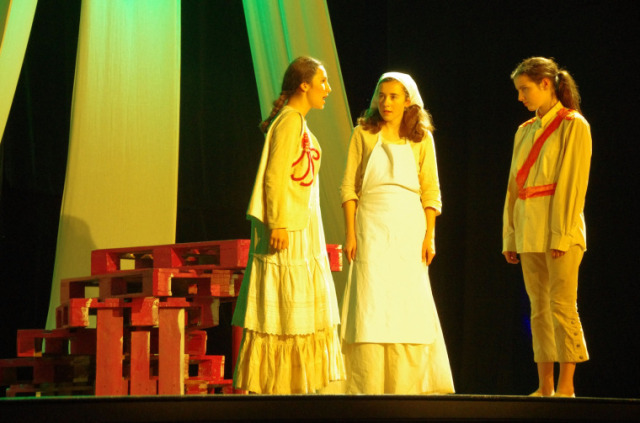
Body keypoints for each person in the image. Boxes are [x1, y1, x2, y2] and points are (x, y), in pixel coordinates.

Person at [232, 56, 345, 394]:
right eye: (322, 82)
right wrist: (278, 224)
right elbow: (274, 175)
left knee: (295, 307)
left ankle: (294, 384)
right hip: (288, 228)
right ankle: (278, 386)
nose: (328, 89)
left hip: (301, 224)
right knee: (284, 306)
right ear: (304, 85)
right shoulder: (290, 121)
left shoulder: (296, 120)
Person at [339, 72, 455, 394]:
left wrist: (430, 235)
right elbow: (349, 187)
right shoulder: (363, 133)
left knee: (407, 302)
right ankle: (368, 385)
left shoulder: (421, 138)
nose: (386, 102)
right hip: (371, 223)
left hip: (408, 226)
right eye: (382, 95)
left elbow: (431, 191)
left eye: (393, 96)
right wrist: (351, 233)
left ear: (407, 101)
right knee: (371, 300)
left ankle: (407, 386)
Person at [503, 57, 591, 398]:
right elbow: (513, 188)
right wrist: (510, 235)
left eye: (525, 89)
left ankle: (567, 387)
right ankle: (545, 387)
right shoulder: (524, 131)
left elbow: (572, 185)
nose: (520, 97)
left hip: (560, 229)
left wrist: (561, 234)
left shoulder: (573, 125)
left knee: (562, 306)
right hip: (528, 227)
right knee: (538, 308)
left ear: (545, 84)